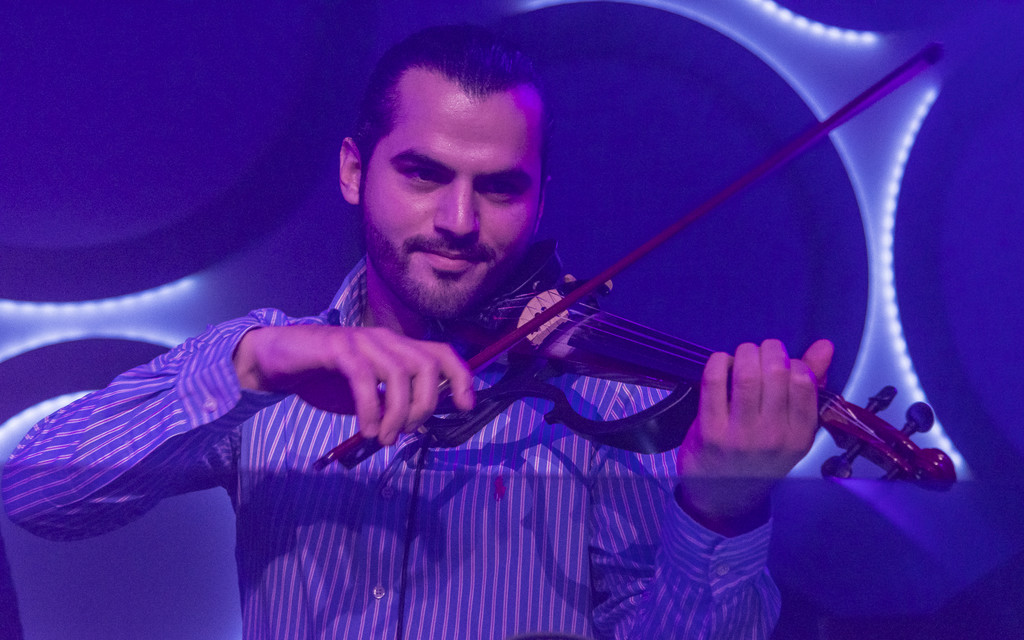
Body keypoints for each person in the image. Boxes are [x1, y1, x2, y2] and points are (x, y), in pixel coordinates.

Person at [2, 25, 832, 640]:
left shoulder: (602, 403)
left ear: (540, 197)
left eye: (499, 188)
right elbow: (36, 493)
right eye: (424, 174)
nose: (459, 220)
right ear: (353, 170)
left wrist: (719, 515)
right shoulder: (271, 364)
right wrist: (252, 366)